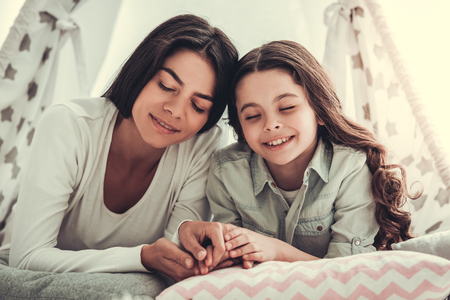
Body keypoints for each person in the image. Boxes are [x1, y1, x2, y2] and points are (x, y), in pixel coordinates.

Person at [6, 14, 238, 282]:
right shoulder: (69, 125)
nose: (175, 111)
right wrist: (143, 257)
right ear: (141, 71)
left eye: (198, 106)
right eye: (166, 85)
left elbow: (176, 265)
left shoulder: (204, 144)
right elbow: (26, 258)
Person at [205, 40, 421, 269]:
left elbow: (347, 270)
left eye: (287, 108)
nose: (271, 125)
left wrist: (277, 251)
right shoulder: (225, 171)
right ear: (239, 125)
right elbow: (233, 265)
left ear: (319, 110)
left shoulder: (350, 167)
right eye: (252, 116)